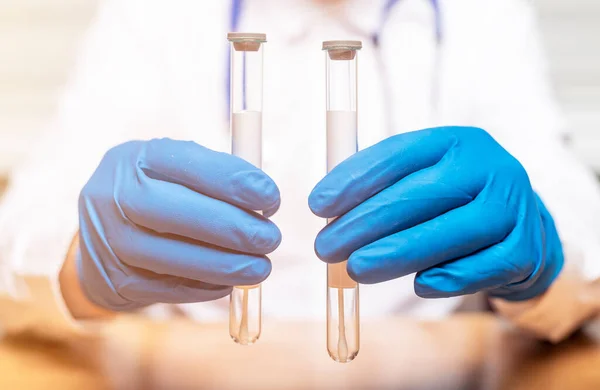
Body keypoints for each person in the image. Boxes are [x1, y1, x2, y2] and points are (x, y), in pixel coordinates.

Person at [1, 0, 600, 344]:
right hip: (191, 367)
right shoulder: (159, 14)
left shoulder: (480, 15)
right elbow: (18, 234)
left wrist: (544, 250)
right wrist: (82, 260)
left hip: (437, 365)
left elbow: (575, 210)